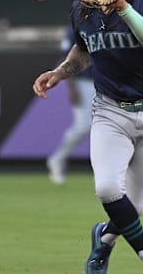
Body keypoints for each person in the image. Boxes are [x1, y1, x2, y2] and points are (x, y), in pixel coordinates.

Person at [32, 0, 143, 274]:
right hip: (110, 110)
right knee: (109, 188)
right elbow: (83, 50)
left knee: (132, 210)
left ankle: (104, 240)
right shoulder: (83, 11)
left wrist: (123, 7)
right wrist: (61, 71)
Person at [46, 25, 94, 186]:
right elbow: (65, 59)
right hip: (83, 81)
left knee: (113, 126)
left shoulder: (112, 21)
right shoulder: (78, 26)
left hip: (106, 82)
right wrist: (71, 87)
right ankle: (57, 159)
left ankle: (111, 171)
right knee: (82, 127)